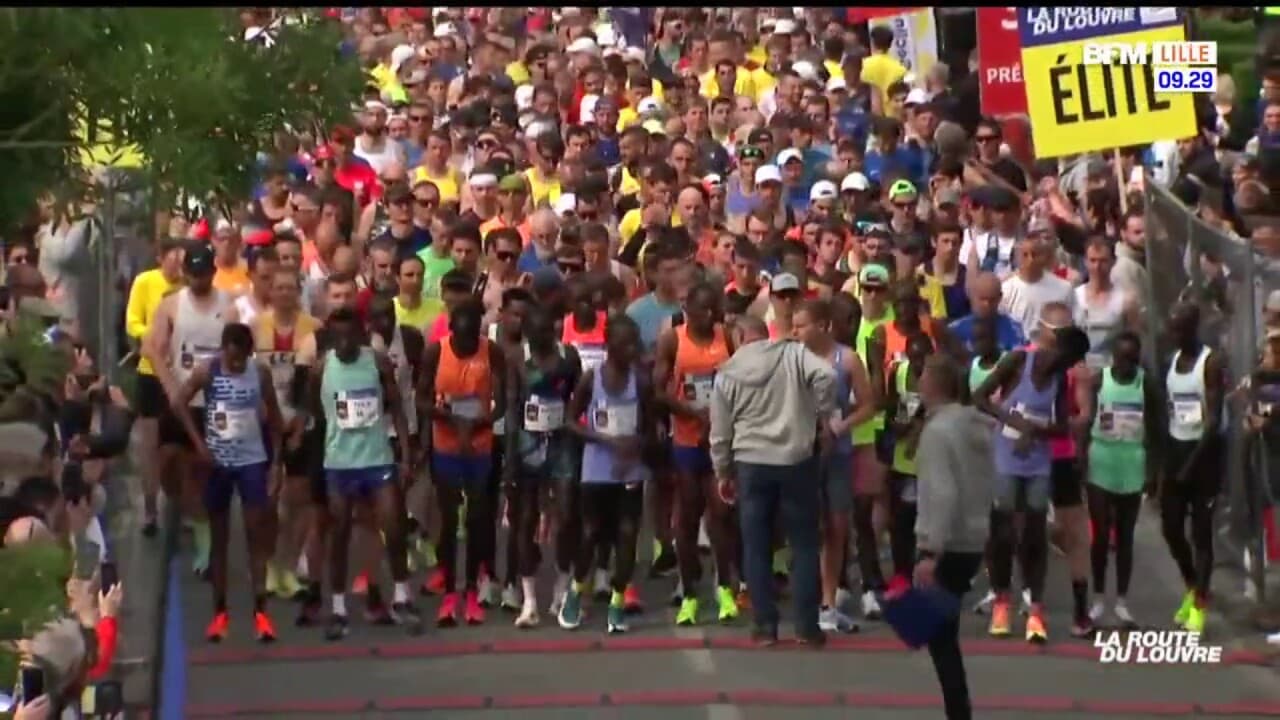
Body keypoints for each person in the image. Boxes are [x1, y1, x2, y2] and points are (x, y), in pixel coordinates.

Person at [709, 314, 835, 646]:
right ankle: (807, 627)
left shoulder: (728, 371)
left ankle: (765, 626)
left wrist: (722, 471)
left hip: (750, 461)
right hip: (796, 458)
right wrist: (821, 415)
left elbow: (720, 432)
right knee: (804, 543)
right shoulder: (793, 354)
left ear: (739, 336)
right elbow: (827, 374)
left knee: (756, 545)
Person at [973, 314, 1090, 643]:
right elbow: (980, 397)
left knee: (1035, 533)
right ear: (1058, 349)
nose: (1066, 366)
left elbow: (1062, 425)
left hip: (1037, 460)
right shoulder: (1019, 360)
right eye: (1066, 359)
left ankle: (1035, 607)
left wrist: (1037, 431)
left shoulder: (1058, 379)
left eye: (1071, 362)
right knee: (1002, 529)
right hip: (1007, 457)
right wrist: (1015, 421)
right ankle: (1001, 601)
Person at [311, 306, 421, 640]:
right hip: (340, 463)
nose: (343, 342)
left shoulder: (376, 361)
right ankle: (339, 607)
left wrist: (405, 453)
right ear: (331, 338)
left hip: (377, 459)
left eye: (349, 335)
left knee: (393, 524)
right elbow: (313, 408)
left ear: (360, 335)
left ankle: (402, 596)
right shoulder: (322, 367)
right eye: (337, 336)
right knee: (340, 532)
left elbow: (397, 407)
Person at [172, 323, 284, 642]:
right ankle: (220, 612)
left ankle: (261, 613)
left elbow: (275, 420)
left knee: (255, 537)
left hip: (251, 461)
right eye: (229, 358)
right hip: (218, 464)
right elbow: (179, 403)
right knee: (219, 540)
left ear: (249, 353)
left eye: (239, 360)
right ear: (223, 349)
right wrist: (199, 445)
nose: (234, 365)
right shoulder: (208, 371)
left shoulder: (259, 373)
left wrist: (276, 464)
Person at [143, 243, 239, 577]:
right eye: (193, 274)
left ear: (213, 271)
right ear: (185, 274)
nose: (199, 280)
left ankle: (205, 539)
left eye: (205, 273)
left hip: (214, 402)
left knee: (200, 471)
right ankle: (189, 514)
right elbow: (153, 349)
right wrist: (171, 386)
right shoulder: (171, 305)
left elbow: (238, 350)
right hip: (180, 398)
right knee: (168, 462)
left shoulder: (228, 306)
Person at [913, 354, 996, 720]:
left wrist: (930, 551)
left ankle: (958, 714)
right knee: (942, 634)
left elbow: (943, 493)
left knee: (941, 641)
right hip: (974, 538)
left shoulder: (937, 433)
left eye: (922, 377)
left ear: (933, 386)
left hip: (945, 543)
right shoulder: (975, 428)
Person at [654, 282, 741, 625]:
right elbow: (659, 391)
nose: (706, 317)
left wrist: (721, 416)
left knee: (720, 516)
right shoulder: (673, 339)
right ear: (687, 309)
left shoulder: (728, 337)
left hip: (720, 441)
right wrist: (691, 413)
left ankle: (724, 588)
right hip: (687, 441)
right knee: (686, 519)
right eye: (699, 311)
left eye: (711, 310)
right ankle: (689, 591)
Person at [561, 314, 654, 633]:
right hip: (597, 465)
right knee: (591, 532)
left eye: (634, 343)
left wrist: (636, 446)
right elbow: (570, 421)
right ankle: (575, 590)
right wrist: (604, 439)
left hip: (630, 467)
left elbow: (650, 426)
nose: (632, 349)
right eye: (626, 343)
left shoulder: (640, 381)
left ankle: (617, 600)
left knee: (627, 534)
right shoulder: (591, 378)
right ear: (609, 344)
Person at [421, 297, 507, 626]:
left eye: (474, 337)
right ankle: (449, 592)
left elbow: (503, 401)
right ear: (452, 329)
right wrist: (450, 420)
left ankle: (471, 590)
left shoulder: (491, 351)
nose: (469, 342)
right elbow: (422, 397)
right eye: (463, 337)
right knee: (447, 519)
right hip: (446, 444)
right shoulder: (436, 352)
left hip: (480, 445)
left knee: (477, 517)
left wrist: (481, 422)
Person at [792, 298, 875, 633]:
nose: (794, 331)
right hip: (801, 455)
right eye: (793, 325)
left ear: (823, 325)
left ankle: (828, 602)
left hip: (837, 455)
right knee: (804, 529)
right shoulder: (790, 358)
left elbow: (869, 405)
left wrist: (840, 427)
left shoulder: (848, 359)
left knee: (837, 527)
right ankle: (806, 601)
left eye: (801, 325)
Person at [504, 304, 581, 627]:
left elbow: (579, 395)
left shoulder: (569, 357)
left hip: (562, 443)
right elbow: (510, 408)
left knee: (565, 515)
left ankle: (562, 589)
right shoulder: (518, 360)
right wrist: (509, 458)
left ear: (554, 333)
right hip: (528, 442)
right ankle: (530, 601)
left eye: (545, 338)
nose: (540, 346)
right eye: (534, 340)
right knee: (524, 521)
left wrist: (574, 424)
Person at [1080, 330, 1155, 628]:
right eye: (1122, 358)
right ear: (1113, 358)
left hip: (1132, 461)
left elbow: (1157, 425)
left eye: (1132, 358)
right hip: (1103, 459)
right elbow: (1085, 421)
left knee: (1125, 536)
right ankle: (1098, 598)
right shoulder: (1101, 380)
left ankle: (1122, 602)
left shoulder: (1145, 383)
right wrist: (1082, 462)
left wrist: (1153, 472)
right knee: (1100, 533)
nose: (1127, 364)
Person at [1161, 301, 1226, 634]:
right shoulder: (1171, 361)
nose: (1173, 334)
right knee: (1171, 529)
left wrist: (1192, 463)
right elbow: (1168, 410)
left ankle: (1200, 603)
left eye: (1179, 329)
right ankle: (1192, 585)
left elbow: (1213, 421)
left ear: (1192, 328)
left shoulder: (1210, 363)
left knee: (1201, 533)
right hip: (1177, 448)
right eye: (1172, 328)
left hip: (1204, 456)